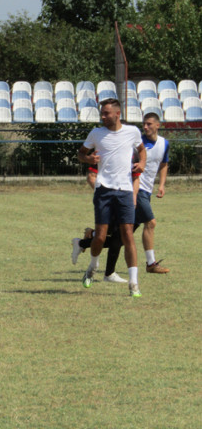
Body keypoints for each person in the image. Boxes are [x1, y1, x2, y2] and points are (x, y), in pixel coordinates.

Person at [77, 98, 146, 297]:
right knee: (100, 236)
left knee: (128, 235)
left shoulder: (132, 132)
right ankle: (92, 267)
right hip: (103, 190)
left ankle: (134, 283)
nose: (103, 116)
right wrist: (88, 158)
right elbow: (81, 154)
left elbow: (141, 151)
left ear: (118, 114)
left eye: (107, 113)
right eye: (102, 113)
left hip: (124, 191)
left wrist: (141, 163)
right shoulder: (96, 133)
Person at [134, 112, 170, 273]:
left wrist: (161, 185)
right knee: (151, 222)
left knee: (121, 235)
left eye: (149, 124)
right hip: (136, 188)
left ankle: (86, 240)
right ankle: (151, 264)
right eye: (144, 124)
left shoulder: (164, 143)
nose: (145, 127)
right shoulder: (139, 143)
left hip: (147, 190)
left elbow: (163, 164)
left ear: (158, 125)